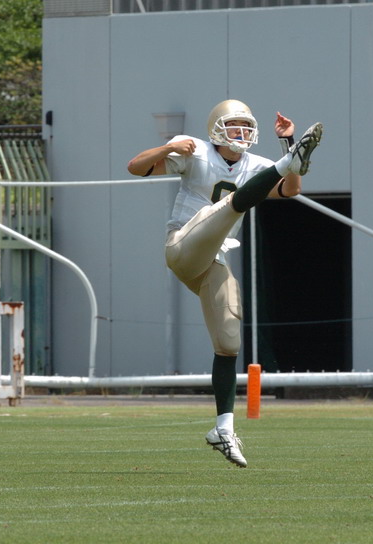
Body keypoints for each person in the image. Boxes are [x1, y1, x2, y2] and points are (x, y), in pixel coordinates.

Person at [127, 99, 322, 467]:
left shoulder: (255, 165)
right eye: (235, 125)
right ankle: (289, 158)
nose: (241, 132)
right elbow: (135, 167)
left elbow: (291, 189)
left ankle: (223, 429)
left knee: (229, 341)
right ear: (217, 127)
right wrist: (169, 147)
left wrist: (288, 144)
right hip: (183, 244)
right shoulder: (196, 151)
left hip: (211, 262)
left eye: (247, 126)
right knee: (228, 207)